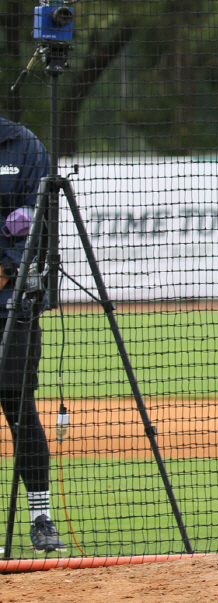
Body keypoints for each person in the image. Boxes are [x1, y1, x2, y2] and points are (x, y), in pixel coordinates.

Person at [0, 115, 64, 553]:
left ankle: (40, 516)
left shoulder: (23, 145)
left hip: (13, 303)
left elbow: (36, 223)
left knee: (20, 407)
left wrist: (6, 271)